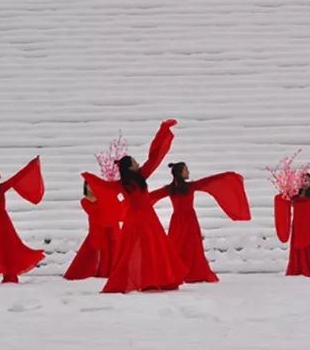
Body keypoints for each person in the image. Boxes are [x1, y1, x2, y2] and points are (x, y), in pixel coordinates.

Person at [83, 119, 183, 293]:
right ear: (129, 167)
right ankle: (147, 279)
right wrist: (90, 179)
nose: (138, 164)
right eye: (135, 162)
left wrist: (163, 132)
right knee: (149, 248)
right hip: (144, 219)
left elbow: (154, 157)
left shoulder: (131, 180)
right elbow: (154, 158)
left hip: (141, 219)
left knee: (141, 249)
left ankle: (150, 279)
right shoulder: (136, 178)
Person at [151, 162, 251, 283]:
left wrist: (225, 176)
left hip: (178, 220)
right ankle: (187, 272)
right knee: (187, 246)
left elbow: (151, 196)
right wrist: (226, 176)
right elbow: (207, 181)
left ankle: (180, 271)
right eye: (186, 170)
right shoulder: (188, 187)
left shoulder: (171, 189)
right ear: (180, 173)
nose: (188, 172)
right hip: (188, 219)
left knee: (179, 245)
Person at [63, 181, 123, 280]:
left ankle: (112, 271)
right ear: (85, 187)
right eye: (88, 185)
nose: (90, 187)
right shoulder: (85, 200)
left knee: (113, 249)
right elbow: (96, 212)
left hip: (111, 227)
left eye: (93, 185)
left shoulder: (103, 198)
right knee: (95, 250)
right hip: (97, 227)